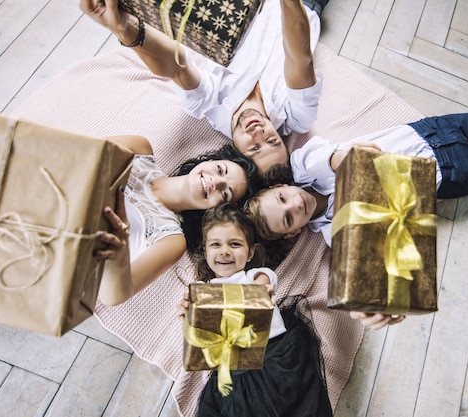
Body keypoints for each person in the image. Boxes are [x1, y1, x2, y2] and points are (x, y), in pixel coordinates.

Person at [244, 112, 468, 328]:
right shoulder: (339, 233)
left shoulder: (305, 165)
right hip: (451, 174)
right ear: (293, 233)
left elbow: (344, 157)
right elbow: (382, 267)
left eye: (282, 197)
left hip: (434, 130)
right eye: (288, 217)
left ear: (280, 185)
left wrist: (347, 162)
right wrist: (382, 304)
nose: (296, 204)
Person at [78, 0, 326, 175]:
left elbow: (176, 67)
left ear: (235, 150)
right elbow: (298, 56)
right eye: (272, 140)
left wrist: (123, 27)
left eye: (254, 147)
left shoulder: (209, 106)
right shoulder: (297, 117)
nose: (260, 133)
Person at [179, 204, 333, 416]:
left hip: (272, 354)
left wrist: (252, 295)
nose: (225, 251)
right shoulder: (204, 292)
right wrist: (190, 317)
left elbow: (258, 291)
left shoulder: (256, 276)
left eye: (235, 244)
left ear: (250, 253)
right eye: (216, 244)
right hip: (234, 370)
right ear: (205, 252)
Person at [93, 135, 262, 306]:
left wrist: (117, 247)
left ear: (217, 209)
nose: (215, 182)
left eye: (225, 193)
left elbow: (113, 296)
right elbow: (79, 155)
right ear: (210, 160)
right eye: (220, 170)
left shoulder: (172, 240)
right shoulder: (139, 149)